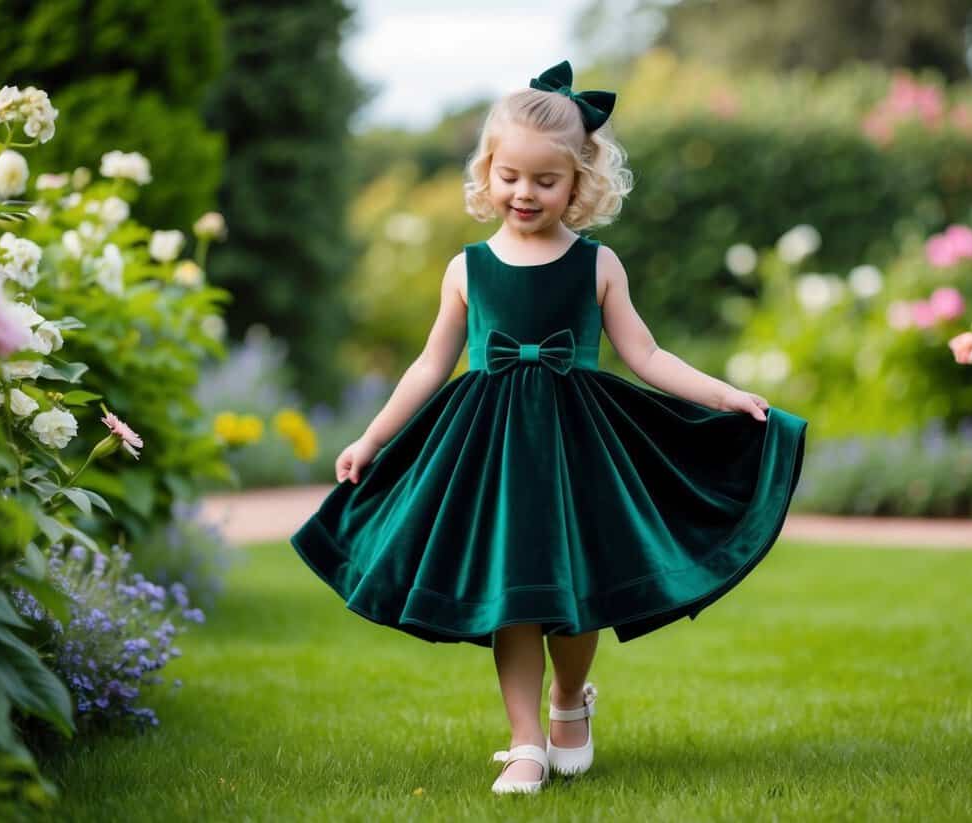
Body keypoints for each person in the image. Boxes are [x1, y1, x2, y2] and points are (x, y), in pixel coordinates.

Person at [290, 59, 808, 795]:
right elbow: (428, 367)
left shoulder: (597, 264)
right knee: (514, 590)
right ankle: (524, 739)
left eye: (545, 180)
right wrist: (370, 438)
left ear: (578, 184)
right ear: (487, 172)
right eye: (510, 177)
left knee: (571, 585)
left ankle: (570, 699)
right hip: (490, 451)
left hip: (577, 447)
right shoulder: (466, 269)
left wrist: (724, 394)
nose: (524, 193)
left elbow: (646, 353)